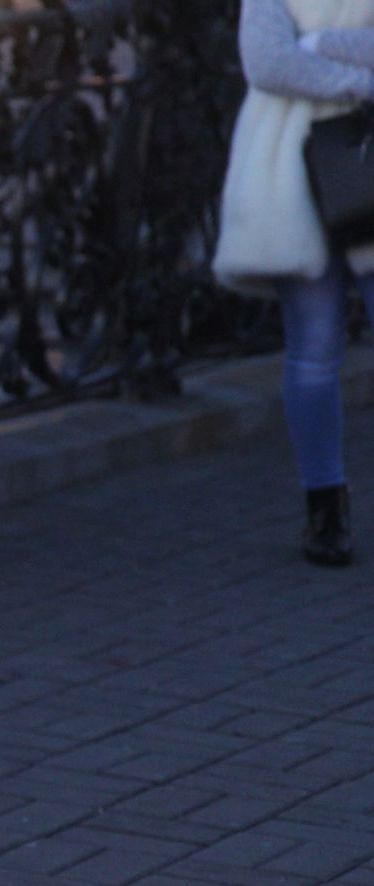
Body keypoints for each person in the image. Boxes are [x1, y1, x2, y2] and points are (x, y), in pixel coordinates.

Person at [214, 0, 374, 566]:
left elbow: (290, 60)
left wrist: (318, 47)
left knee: (314, 350)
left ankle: (326, 513)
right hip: (290, 177)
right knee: (312, 347)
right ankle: (325, 507)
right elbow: (266, 63)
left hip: (362, 154)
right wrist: (363, 80)